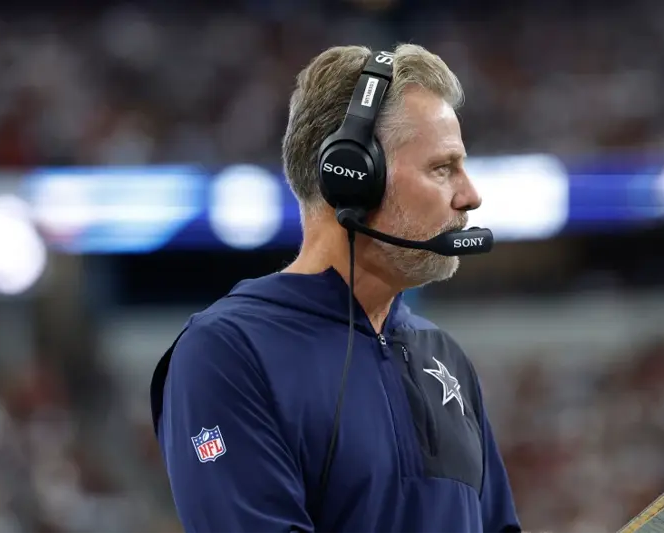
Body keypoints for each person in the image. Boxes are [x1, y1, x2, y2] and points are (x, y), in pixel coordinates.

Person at [150, 44, 521, 533]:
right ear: (353, 177)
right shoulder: (227, 352)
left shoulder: (445, 357)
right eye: (442, 168)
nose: (470, 195)